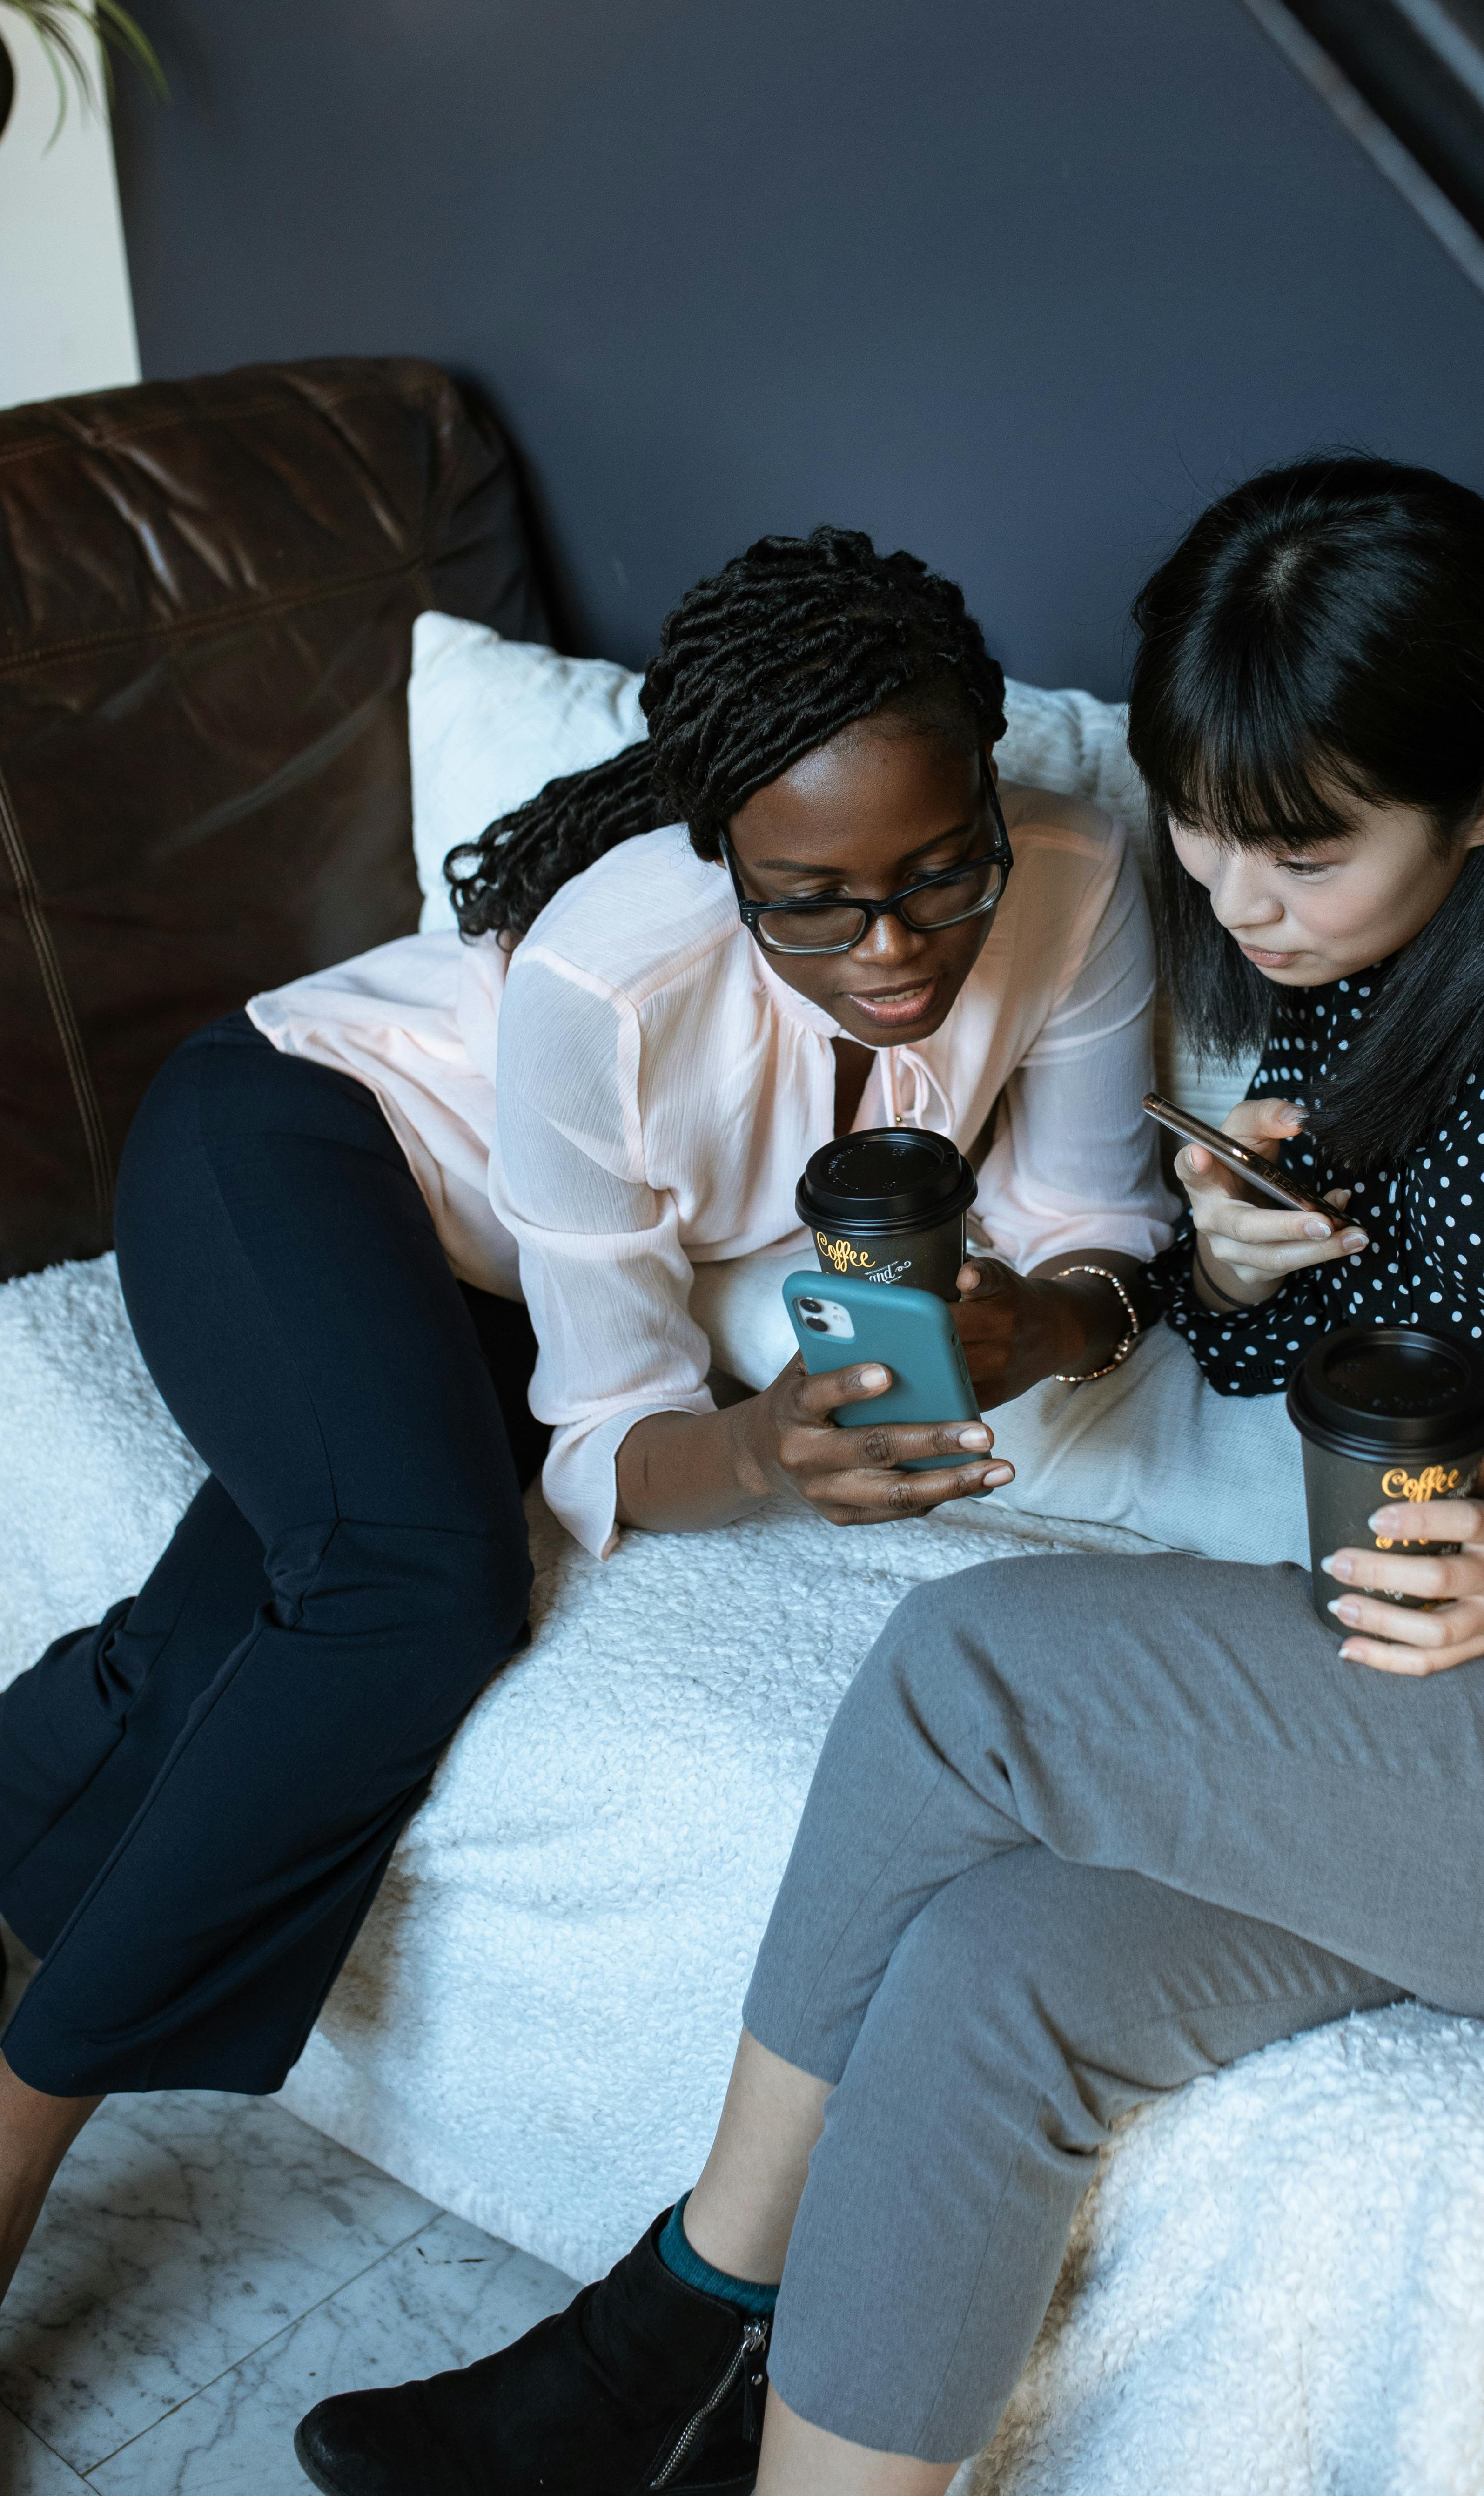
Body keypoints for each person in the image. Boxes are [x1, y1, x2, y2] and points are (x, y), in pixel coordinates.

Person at [293, 455, 1484, 2496]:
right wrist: (1251, 1271)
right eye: (1203, 829)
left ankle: (666, 2327)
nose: (1239, 903)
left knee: (970, 1670)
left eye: (1303, 853)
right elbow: (1335, 1364)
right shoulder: (1371, 983)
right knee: (997, 1983)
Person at [0, 529, 1179, 2309]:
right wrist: (771, 1453)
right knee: (417, 1593)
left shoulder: (1081, 883)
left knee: (246, 1620)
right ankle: (17, 2135)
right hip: (305, 1147)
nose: (896, 949)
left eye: (946, 876)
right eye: (814, 903)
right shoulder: (603, 979)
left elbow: (1105, 1233)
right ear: (722, 859)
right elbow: (620, 1433)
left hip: (482, 1291)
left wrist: (1042, 1324)